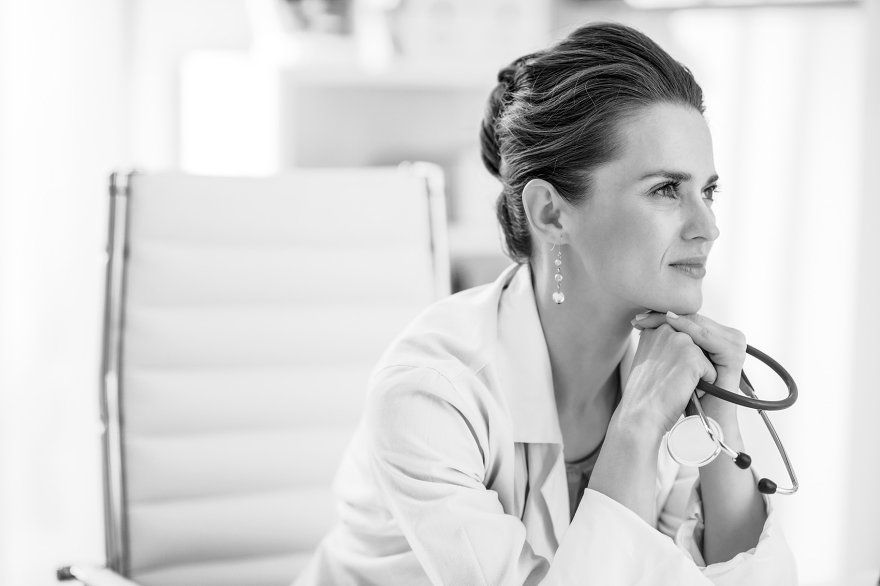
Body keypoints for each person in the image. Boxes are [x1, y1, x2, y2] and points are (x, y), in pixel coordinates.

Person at [294, 21, 797, 585]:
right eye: (664, 190)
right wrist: (634, 428)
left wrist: (720, 415)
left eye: (708, 191)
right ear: (551, 213)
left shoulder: (665, 373)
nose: (708, 227)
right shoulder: (430, 394)